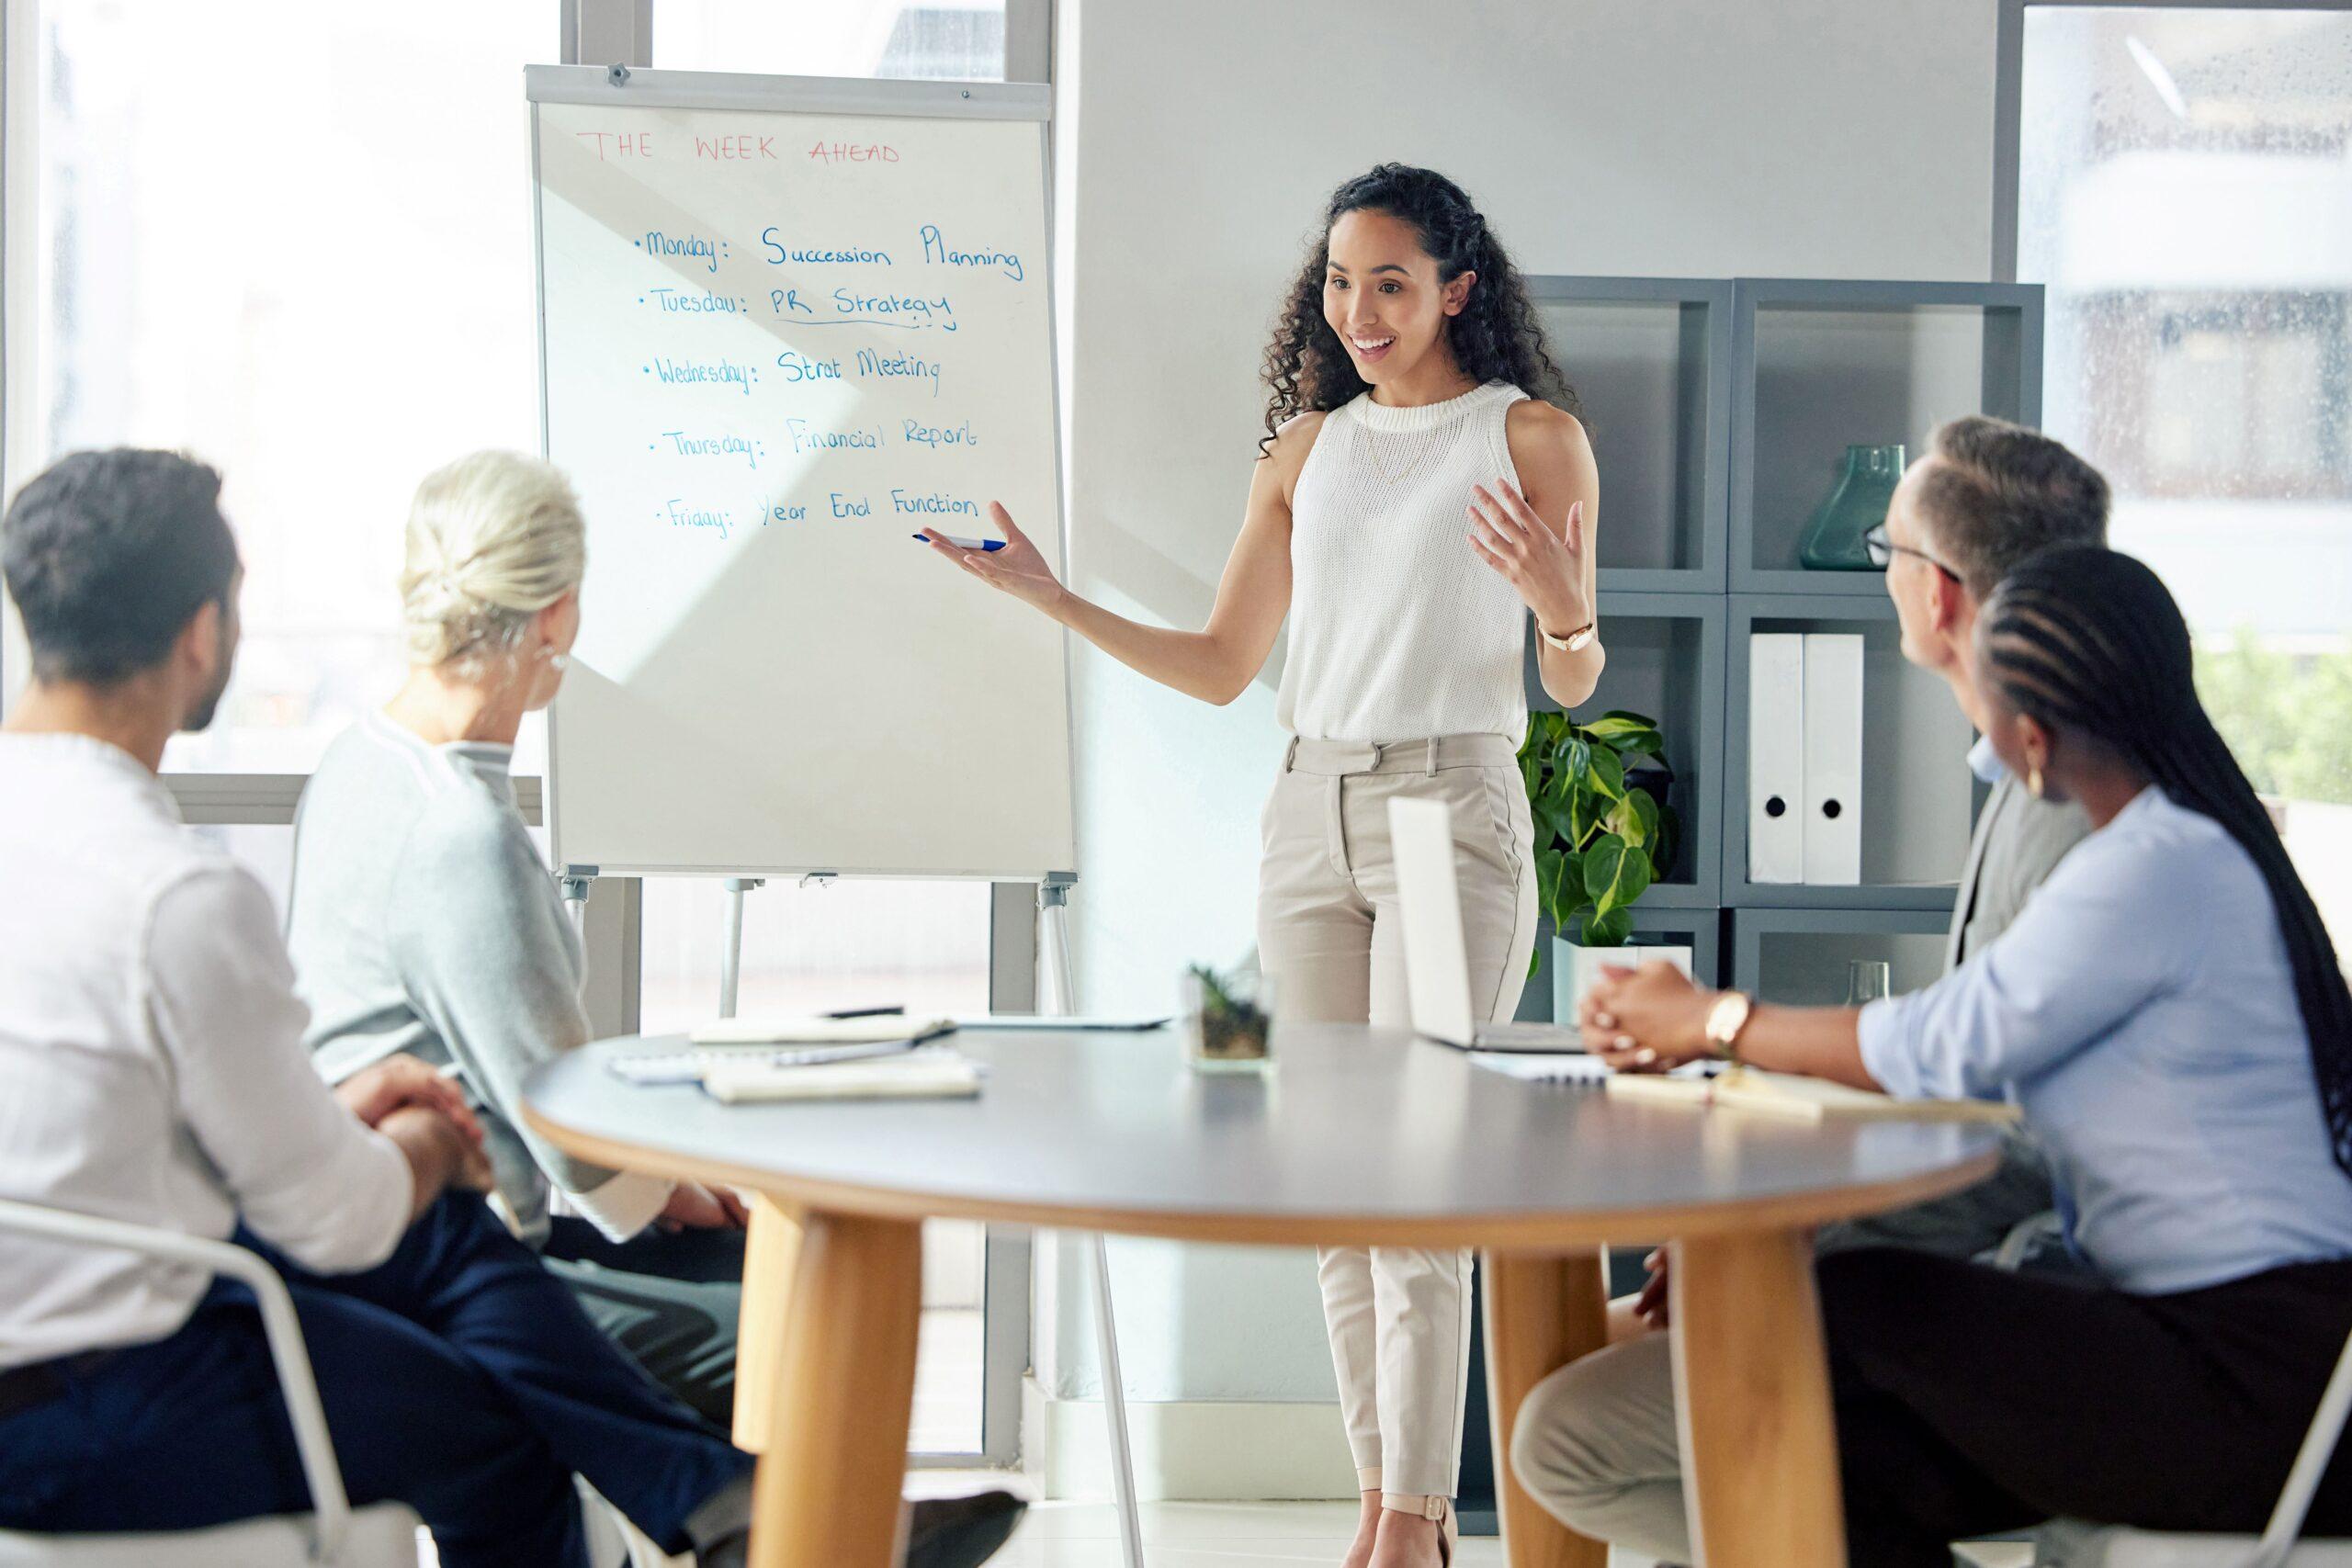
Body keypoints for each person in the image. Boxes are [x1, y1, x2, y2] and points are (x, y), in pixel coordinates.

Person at [923, 164, 1598, 1568]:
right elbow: (1228, 664)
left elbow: (1576, 673)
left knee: (1416, 1174)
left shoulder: (1530, 437)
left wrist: (1561, 608)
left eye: (1393, 283)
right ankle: (1379, 1497)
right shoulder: (1304, 451)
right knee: (1335, 1179)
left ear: (1458, 288)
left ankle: (1414, 1522)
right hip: (1308, 808)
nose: (1361, 310)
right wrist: (1054, 596)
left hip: (1443, 805)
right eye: (1343, 282)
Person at [0, 449, 754, 1567]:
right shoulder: (174, 890)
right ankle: (728, 1506)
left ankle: (722, 1508)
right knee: (495, 1421)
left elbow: (90, 1121)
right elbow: (338, 1225)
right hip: (96, 1402)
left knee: (442, 1258)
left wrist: (342, 1117)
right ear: (202, 632)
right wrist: (429, 1142)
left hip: (70, 1309)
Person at [284, 449, 1024, 1564]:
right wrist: (676, 1190)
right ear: (558, 616)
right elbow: (564, 1136)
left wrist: (668, 1185)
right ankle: (826, 1532)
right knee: (776, 1311)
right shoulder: (460, 834)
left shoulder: (359, 767)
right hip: (468, 1245)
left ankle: (784, 1523)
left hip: (389, 1217)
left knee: (752, 1278)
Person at [1560, 545, 2352, 1562]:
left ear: (2026, 741)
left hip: (2254, 1378)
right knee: (1838, 1456)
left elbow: (1947, 1042)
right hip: (2222, 1353)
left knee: (1867, 1303)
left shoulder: (2158, 867)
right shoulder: (2184, 849)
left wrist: (1710, 1019)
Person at [1509, 416, 2112, 1562]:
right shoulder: (2032, 782)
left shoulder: (2070, 813)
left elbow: (2023, 1137)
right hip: (1968, 1270)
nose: (1879, 580)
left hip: (2028, 1313)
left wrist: (1784, 1236)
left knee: (1563, 1436)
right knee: (1569, 1388)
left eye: (1887, 557)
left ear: (1938, 598)